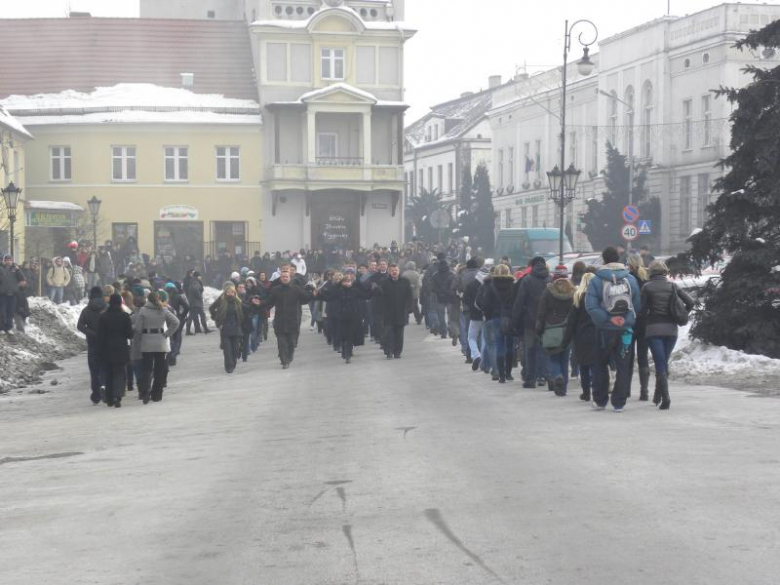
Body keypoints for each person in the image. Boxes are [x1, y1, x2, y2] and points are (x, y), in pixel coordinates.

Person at [585, 246, 642, 412]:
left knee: (600, 364)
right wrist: (625, 320)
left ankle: (600, 400)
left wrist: (608, 319)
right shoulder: (630, 279)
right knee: (624, 366)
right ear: (619, 258)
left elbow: (591, 306)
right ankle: (619, 402)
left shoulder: (596, 280)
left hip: (604, 330)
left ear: (603, 259)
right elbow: (636, 305)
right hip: (625, 330)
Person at [640, 260, 695, 410]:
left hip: (653, 330)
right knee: (663, 362)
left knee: (660, 363)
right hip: (671, 330)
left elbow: (642, 311)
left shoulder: (647, 287)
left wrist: (645, 322)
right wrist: (680, 315)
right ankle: (658, 395)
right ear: (665, 272)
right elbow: (691, 302)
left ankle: (666, 398)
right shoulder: (673, 286)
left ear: (651, 272)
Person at [536, 265, 576, 396]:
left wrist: (539, 329)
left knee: (553, 358)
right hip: (568, 330)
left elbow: (541, 313)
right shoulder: (572, 292)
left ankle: (557, 375)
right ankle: (563, 385)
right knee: (565, 359)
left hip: (551, 329)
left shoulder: (548, 292)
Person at [512, 256, 551, 389]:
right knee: (544, 349)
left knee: (530, 349)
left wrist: (515, 320)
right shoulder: (550, 280)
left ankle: (530, 379)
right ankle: (543, 376)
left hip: (530, 321)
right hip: (547, 321)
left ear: (532, 266)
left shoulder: (527, 280)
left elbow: (519, 301)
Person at [261, 270, 313, 368]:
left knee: (292, 342)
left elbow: (306, 298)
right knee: (282, 343)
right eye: (283, 277)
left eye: (286, 277)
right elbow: (269, 302)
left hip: (293, 320)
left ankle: (289, 356)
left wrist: (312, 293)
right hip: (280, 321)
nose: (285, 278)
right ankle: (284, 361)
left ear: (290, 278)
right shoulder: (276, 290)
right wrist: (260, 303)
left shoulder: (296, 289)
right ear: (281, 278)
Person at [135, 291, 180, 403]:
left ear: (148, 300)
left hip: (146, 342)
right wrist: (167, 334)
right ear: (159, 299)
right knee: (159, 369)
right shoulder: (163, 310)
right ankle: (157, 394)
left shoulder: (143, 310)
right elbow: (176, 322)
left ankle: (145, 392)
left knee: (147, 369)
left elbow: (138, 328)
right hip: (161, 341)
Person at [477, 264, 517, 383]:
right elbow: (516, 303)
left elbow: (485, 304)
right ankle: (508, 373)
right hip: (509, 318)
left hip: (495, 318)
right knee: (509, 346)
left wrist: (488, 314)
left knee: (499, 344)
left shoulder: (491, 286)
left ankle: (501, 375)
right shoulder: (513, 286)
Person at [563, 273, 598, 402]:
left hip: (581, 335)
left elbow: (571, 321)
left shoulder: (578, 298)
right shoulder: (598, 297)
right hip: (596, 334)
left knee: (584, 365)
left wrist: (566, 339)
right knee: (596, 365)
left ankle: (586, 393)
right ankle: (596, 390)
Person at [97, 293, 134, 408]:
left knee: (108, 373)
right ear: (120, 302)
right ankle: (117, 396)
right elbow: (130, 334)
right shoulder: (125, 316)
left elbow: (100, 336)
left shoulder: (103, 317)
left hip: (107, 349)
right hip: (121, 348)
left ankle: (109, 398)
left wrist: (99, 350)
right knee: (120, 373)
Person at [375, 263, 413, 359]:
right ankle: (388, 351)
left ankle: (397, 352)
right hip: (388, 312)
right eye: (392, 270)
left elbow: (410, 296)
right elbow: (379, 297)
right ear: (389, 272)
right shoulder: (384, 282)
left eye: (396, 270)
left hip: (401, 312)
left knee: (399, 334)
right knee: (388, 334)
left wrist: (409, 307)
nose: (394, 272)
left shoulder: (405, 282)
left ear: (399, 271)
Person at [77, 286, 107, 404]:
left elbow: (80, 326)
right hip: (106, 342)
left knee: (94, 370)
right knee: (105, 367)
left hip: (93, 344)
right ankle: (105, 386)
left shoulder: (86, 310)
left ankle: (96, 394)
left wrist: (92, 333)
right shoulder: (107, 308)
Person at [626, 254, 650, 400]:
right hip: (645, 322)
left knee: (627, 357)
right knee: (643, 357)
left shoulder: (628, 279)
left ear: (630, 265)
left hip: (630, 321)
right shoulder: (647, 278)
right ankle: (644, 391)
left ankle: (626, 389)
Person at [210, 282, 244, 373]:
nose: (230, 294)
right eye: (228, 292)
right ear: (225, 292)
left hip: (236, 328)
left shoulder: (238, 301)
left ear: (234, 293)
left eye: (232, 292)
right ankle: (229, 366)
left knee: (235, 349)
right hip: (225, 328)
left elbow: (243, 313)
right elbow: (211, 308)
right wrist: (216, 319)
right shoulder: (221, 300)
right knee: (227, 349)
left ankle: (233, 362)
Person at [165, 282, 189, 366]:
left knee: (170, 338)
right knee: (177, 336)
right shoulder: (178, 297)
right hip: (177, 318)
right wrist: (182, 316)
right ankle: (174, 354)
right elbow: (187, 307)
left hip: (167, 319)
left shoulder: (164, 297)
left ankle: (171, 356)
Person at [401, 261, 422, 325]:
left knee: (406, 306)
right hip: (415, 292)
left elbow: (402, 284)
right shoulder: (417, 274)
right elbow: (420, 285)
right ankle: (418, 319)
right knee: (415, 306)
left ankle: (406, 320)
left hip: (406, 293)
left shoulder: (404, 274)